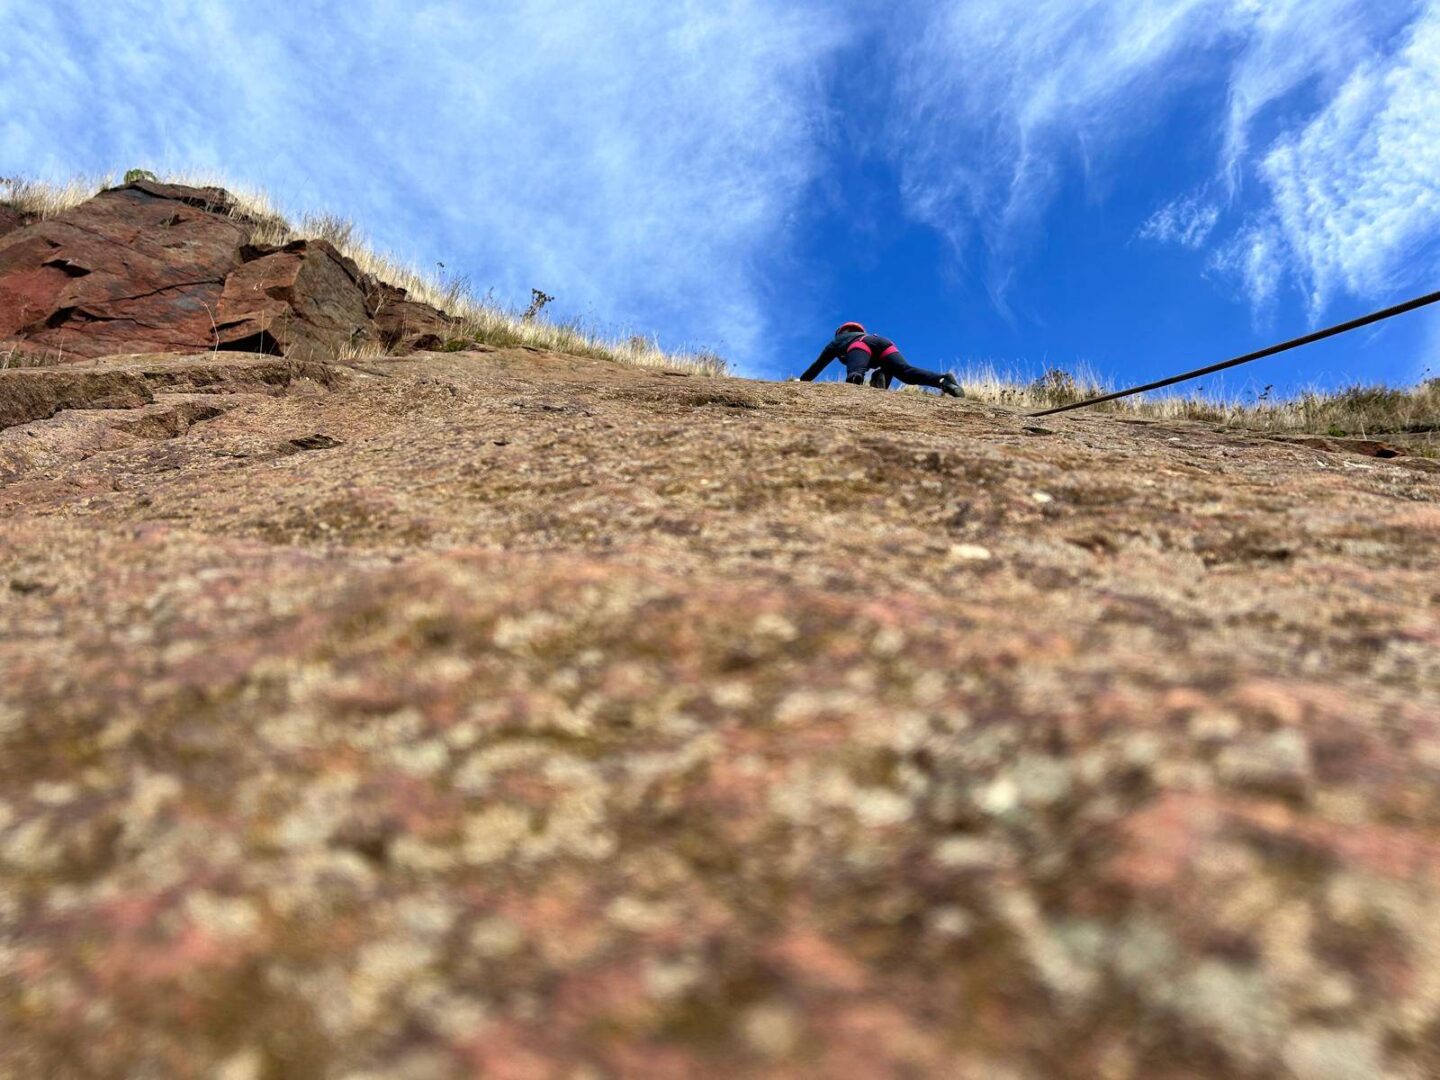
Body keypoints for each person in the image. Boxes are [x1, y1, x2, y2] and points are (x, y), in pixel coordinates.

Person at [799, 322, 963, 397]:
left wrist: (802, 380)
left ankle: (873, 381)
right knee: (906, 372)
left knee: (856, 375)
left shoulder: (839, 340)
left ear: (841, 332)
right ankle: (943, 380)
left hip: (861, 345)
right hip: (883, 343)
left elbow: (818, 365)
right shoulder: (865, 334)